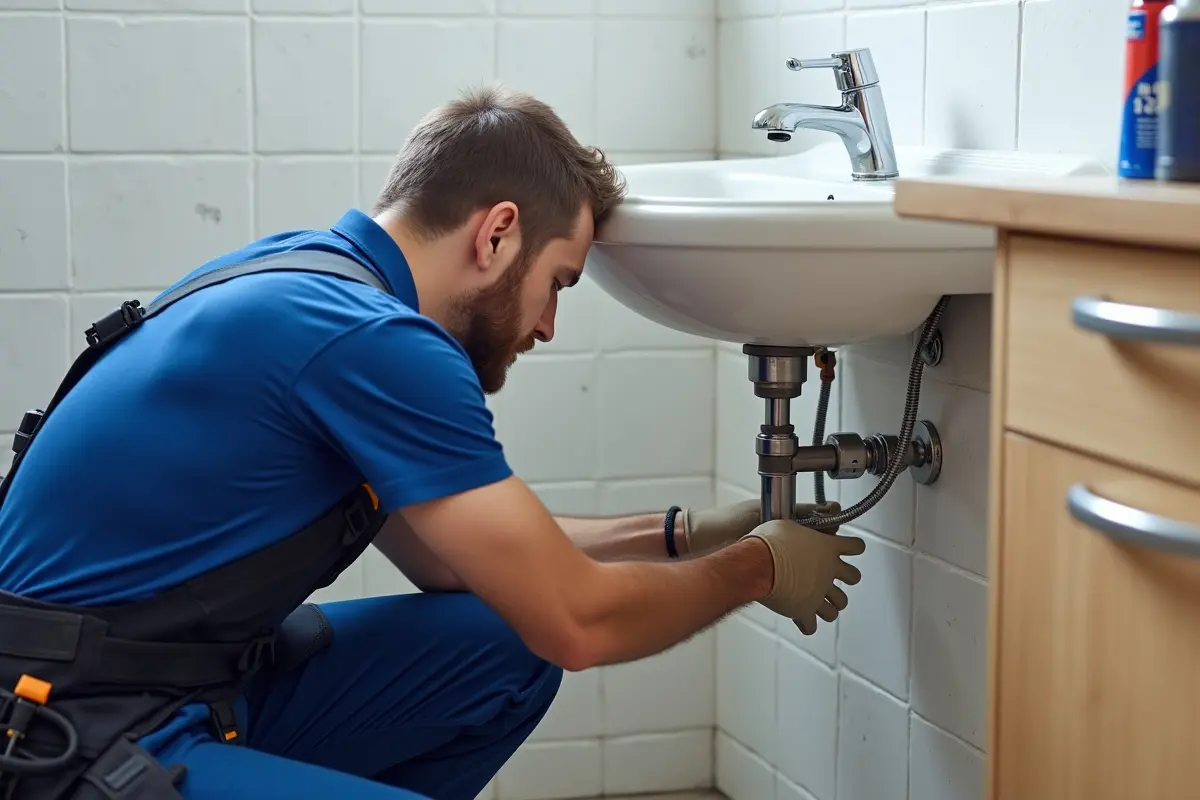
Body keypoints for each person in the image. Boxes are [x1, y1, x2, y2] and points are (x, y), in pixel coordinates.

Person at [0, 86, 866, 800]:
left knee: (502, 651)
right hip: (63, 736)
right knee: (539, 638)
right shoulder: (375, 342)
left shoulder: (313, 279)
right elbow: (576, 621)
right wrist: (757, 566)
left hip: (166, 686)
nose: (551, 326)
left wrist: (683, 534)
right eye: (558, 282)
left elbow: (457, 567)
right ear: (496, 234)